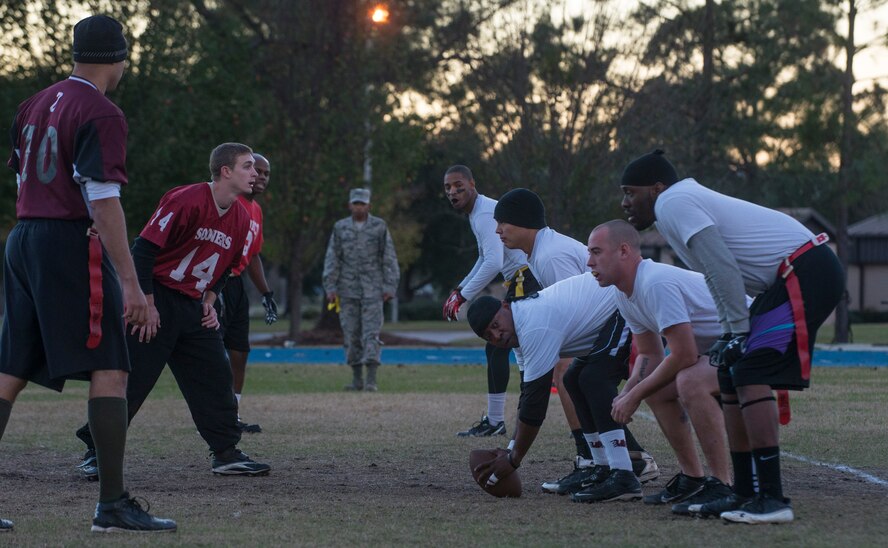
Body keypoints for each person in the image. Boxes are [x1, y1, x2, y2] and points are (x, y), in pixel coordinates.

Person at [1, 15, 175, 533]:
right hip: (67, 242)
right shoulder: (103, 111)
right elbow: (102, 200)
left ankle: (113, 503)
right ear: (118, 59)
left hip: (23, 236)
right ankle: (113, 505)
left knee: (9, 372)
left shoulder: (35, 102)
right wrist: (131, 282)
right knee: (112, 368)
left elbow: (21, 179)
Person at [619, 150, 844, 523]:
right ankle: (740, 492)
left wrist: (737, 330)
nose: (625, 202)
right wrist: (731, 333)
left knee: (751, 370)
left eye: (630, 191)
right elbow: (715, 274)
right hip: (790, 276)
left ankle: (772, 499)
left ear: (657, 188)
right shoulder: (675, 205)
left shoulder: (674, 201)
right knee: (729, 370)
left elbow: (721, 266)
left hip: (806, 269)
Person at [75, 143, 271, 479]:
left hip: (193, 305)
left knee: (215, 376)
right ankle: (97, 451)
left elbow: (226, 268)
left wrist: (209, 301)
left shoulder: (241, 216)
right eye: (248, 166)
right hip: (158, 295)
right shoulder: (186, 199)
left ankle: (226, 452)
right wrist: (145, 301)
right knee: (134, 377)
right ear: (226, 171)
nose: (255, 174)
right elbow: (144, 250)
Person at [492, 188, 658, 493]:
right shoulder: (539, 253)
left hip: (621, 305)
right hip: (607, 311)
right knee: (575, 376)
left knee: (579, 375)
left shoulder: (550, 255)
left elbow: (573, 308)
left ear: (525, 221)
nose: (498, 230)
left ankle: (611, 460)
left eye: (504, 222)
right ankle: (605, 460)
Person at [588, 220, 733, 510]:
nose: (589, 261)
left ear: (624, 251)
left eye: (596, 252)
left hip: (759, 338)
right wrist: (627, 392)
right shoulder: (622, 292)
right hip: (726, 348)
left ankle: (723, 485)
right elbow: (649, 355)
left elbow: (684, 355)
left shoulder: (655, 282)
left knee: (690, 380)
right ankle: (693, 478)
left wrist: (634, 395)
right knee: (658, 389)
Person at [466, 274, 648, 503]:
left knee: (593, 378)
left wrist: (513, 460)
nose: (496, 335)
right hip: (613, 311)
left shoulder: (531, 324)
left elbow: (535, 404)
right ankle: (601, 466)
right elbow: (527, 394)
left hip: (627, 304)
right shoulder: (518, 329)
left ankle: (623, 474)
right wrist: (510, 447)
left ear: (505, 306)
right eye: (488, 336)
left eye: (495, 325)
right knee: (573, 379)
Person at [442, 166, 535, 437]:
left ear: (472, 183)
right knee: (509, 349)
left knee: (500, 345)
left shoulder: (483, 213)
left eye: (458, 185)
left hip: (527, 278)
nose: (452, 192)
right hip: (522, 278)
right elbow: (485, 258)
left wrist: (463, 295)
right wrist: (461, 288)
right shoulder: (479, 212)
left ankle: (500, 421)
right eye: (447, 188)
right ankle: (503, 420)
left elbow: (494, 262)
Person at [218, 152, 278, 433]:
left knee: (240, 350)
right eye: (256, 170)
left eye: (266, 173)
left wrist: (266, 293)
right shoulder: (230, 202)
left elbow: (253, 255)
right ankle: (214, 414)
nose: (261, 176)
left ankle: (233, 414)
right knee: (214, 351)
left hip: (237, 282)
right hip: (218, 281)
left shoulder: (256, 210)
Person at [323, 188, 400, 392]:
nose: (359, 207)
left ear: (369, 206)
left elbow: (388, 257)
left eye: (362, 203)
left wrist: (390, 285)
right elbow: (333, 258)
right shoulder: (340, 228)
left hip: (373, 290)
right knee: (351, 334)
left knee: (371, 334)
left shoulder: (379, 227)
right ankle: (357, 379)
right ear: (350, 205)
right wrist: (330, 286)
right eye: (355, 203)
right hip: (347, 291)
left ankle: (371, 380)